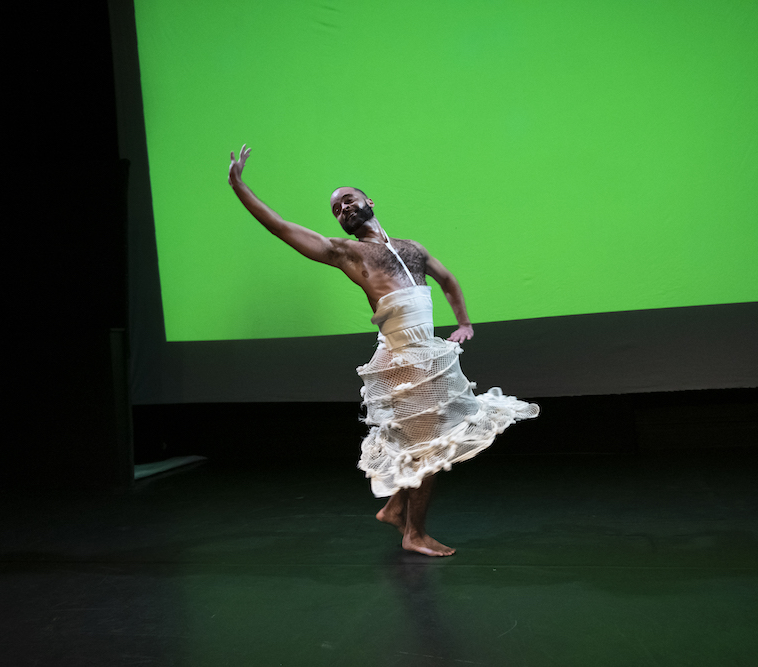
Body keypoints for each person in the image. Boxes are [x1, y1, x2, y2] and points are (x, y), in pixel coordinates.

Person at [228, 144, 539, 556]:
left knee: (428, 442)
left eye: (348, 200)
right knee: (429, 447)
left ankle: (395, 509)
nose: (343, 209)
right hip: (401, 359)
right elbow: (282, 227)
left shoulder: (412, 248)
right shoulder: (348, 252)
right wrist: (239, 186)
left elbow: (447, 281)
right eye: (337, 208)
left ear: (369, 201)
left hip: (427, 356)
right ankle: (413, 534)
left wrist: (463, 322)